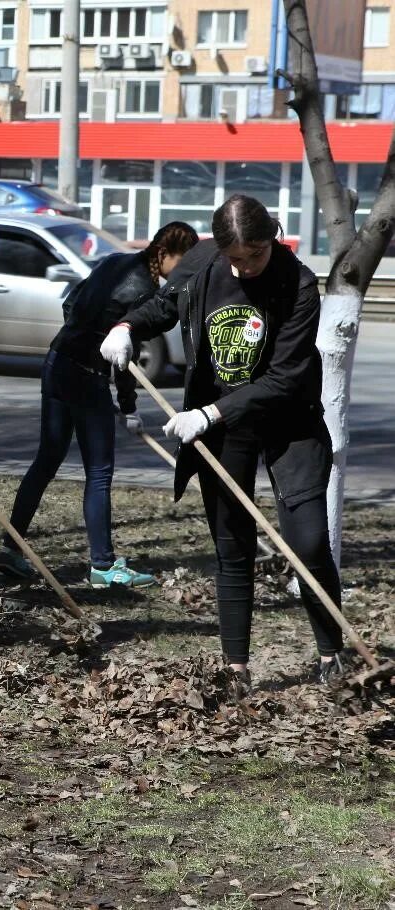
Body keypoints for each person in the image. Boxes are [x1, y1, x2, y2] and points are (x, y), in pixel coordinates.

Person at [101, 194, 345, 699]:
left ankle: (331, 655)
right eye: (236, 258)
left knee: (308, 543)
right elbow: (165, 306)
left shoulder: (298, 283)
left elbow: (285, 377)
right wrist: (127, 327)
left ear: (271, 239)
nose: (247, 266)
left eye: (256, 254)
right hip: (223, 429)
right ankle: (237, 667)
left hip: (289, 421)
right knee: (232, 546)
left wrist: (210, 413)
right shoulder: (203, 261)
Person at [0, 222, 200, 588]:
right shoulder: (143, 290)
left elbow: (70, 303)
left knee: (46, 461)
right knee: (99, 471)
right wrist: (128, 405)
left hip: (57, 360)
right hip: (86, 377)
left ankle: (10, 549)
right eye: (181, 261)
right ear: (164, 253)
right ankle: (103, 565)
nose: (182, 271)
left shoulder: (114, 262)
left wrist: (84, 343)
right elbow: (124, 355)